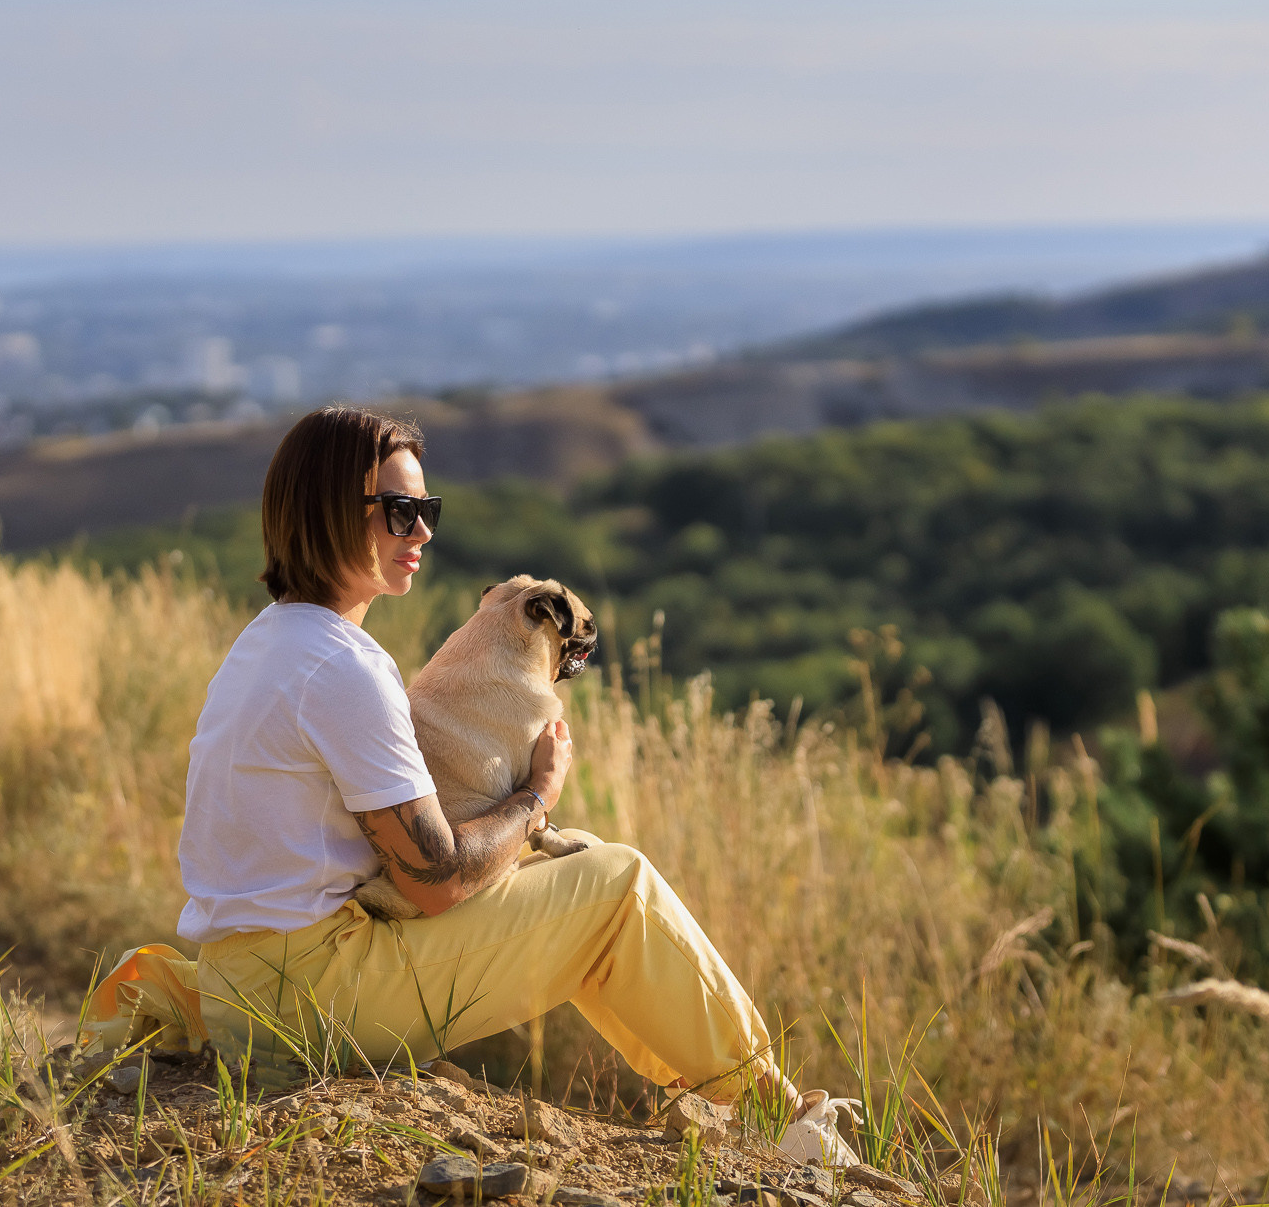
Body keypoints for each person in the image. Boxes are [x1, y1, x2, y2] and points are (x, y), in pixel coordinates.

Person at [79, 405, 856, 1163]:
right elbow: (439, 881)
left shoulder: (265, 642)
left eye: (426, 509)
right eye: (395, 509)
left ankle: (734, 1099)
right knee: (618, 886)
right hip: (310, 1000)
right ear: (324, 511)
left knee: (576, 870)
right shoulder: (343, 668)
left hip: (239, 988)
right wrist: (537, 795)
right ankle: (779, 1117)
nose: (419, 531)